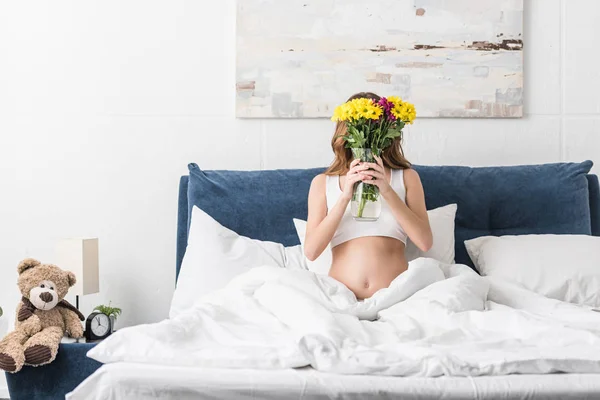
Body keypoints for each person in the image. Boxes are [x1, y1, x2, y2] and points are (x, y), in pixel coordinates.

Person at [304, 92, 433, 299]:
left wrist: (386, 190)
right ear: (347, 133)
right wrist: (345, 196)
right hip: (340, 297)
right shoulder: (322, 183)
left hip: (397, 297)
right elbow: (311, 252)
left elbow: (425, 242)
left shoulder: (408, 177)